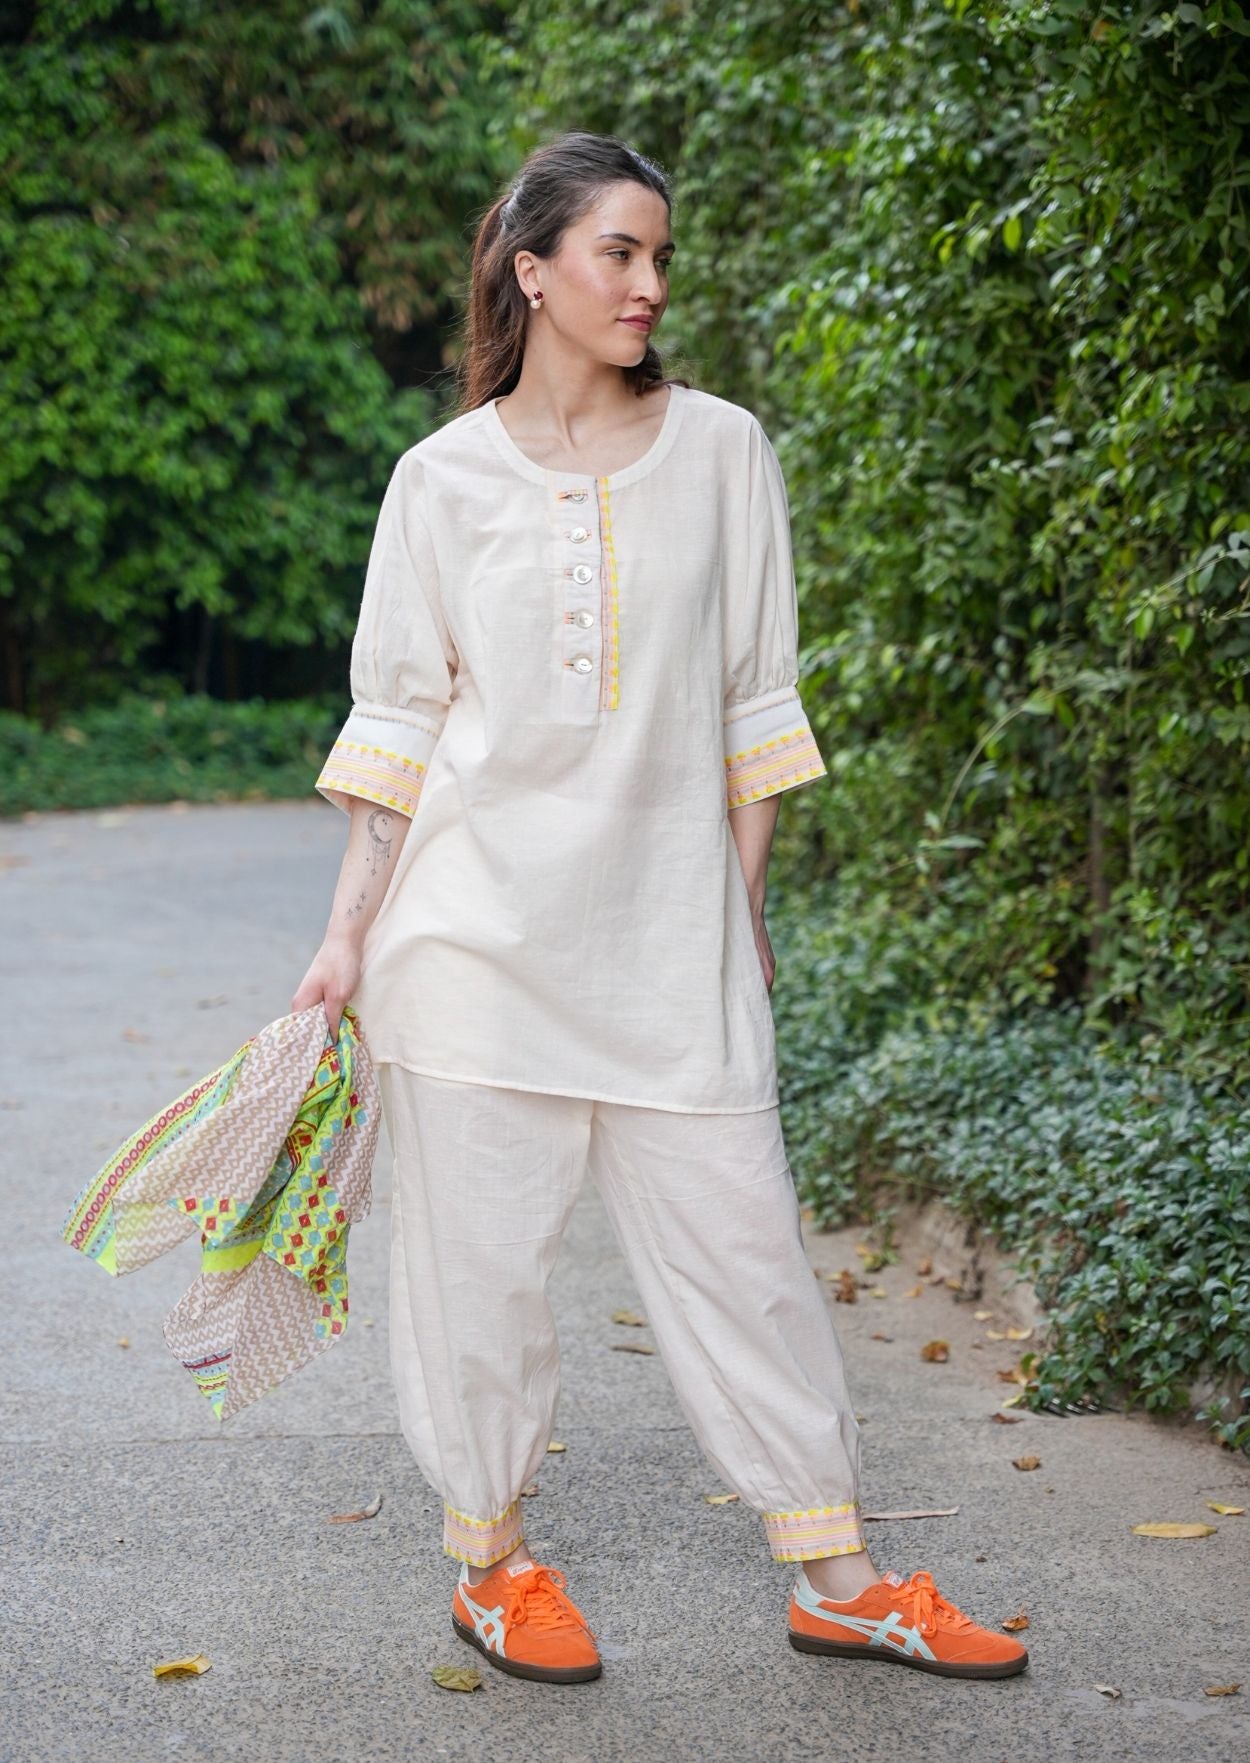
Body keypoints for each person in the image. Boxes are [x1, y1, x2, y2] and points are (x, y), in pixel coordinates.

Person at [292, 130, 1028, 1688]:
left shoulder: (722, 451)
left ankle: (839, 1578)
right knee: (479, 1279)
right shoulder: (439, 481)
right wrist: (347, 935)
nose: (648, 285)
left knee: (746, 1259)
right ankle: (493, 1566)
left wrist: (731, 918)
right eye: (619, 252)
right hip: (468, 951)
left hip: (666, 949)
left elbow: (755, 705)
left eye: (658, 257)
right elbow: (401, 726)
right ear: (532, 269)